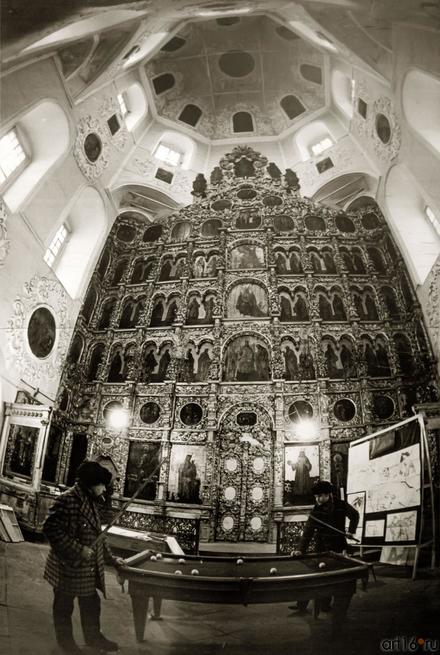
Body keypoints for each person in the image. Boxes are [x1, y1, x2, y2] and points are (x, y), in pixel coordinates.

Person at [43, 460, 125, 654]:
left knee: (91, 603)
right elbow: (51, 529)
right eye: (102, 484)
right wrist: (78, 549)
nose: (104, 489)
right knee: (63, 605)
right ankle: (66, 642)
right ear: (91, 483)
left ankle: (93, 638)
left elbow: (98, 537)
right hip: (68, 565)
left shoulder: (90, 500)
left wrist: (113, 560)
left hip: (86, 568)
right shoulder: (67, 499)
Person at [290, 480, 359, 617]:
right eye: (316, 497)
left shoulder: (340, 505)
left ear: (328, 495)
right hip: (321, 547)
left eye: (320, 496)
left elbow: (355, 515)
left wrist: (351, 531)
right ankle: (301, 604)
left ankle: (325, 604)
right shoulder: (316, 510)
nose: (317, 499)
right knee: (312, 575)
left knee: (332, 576)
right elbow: (307, 532)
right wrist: (300, 550)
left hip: (338, 546)